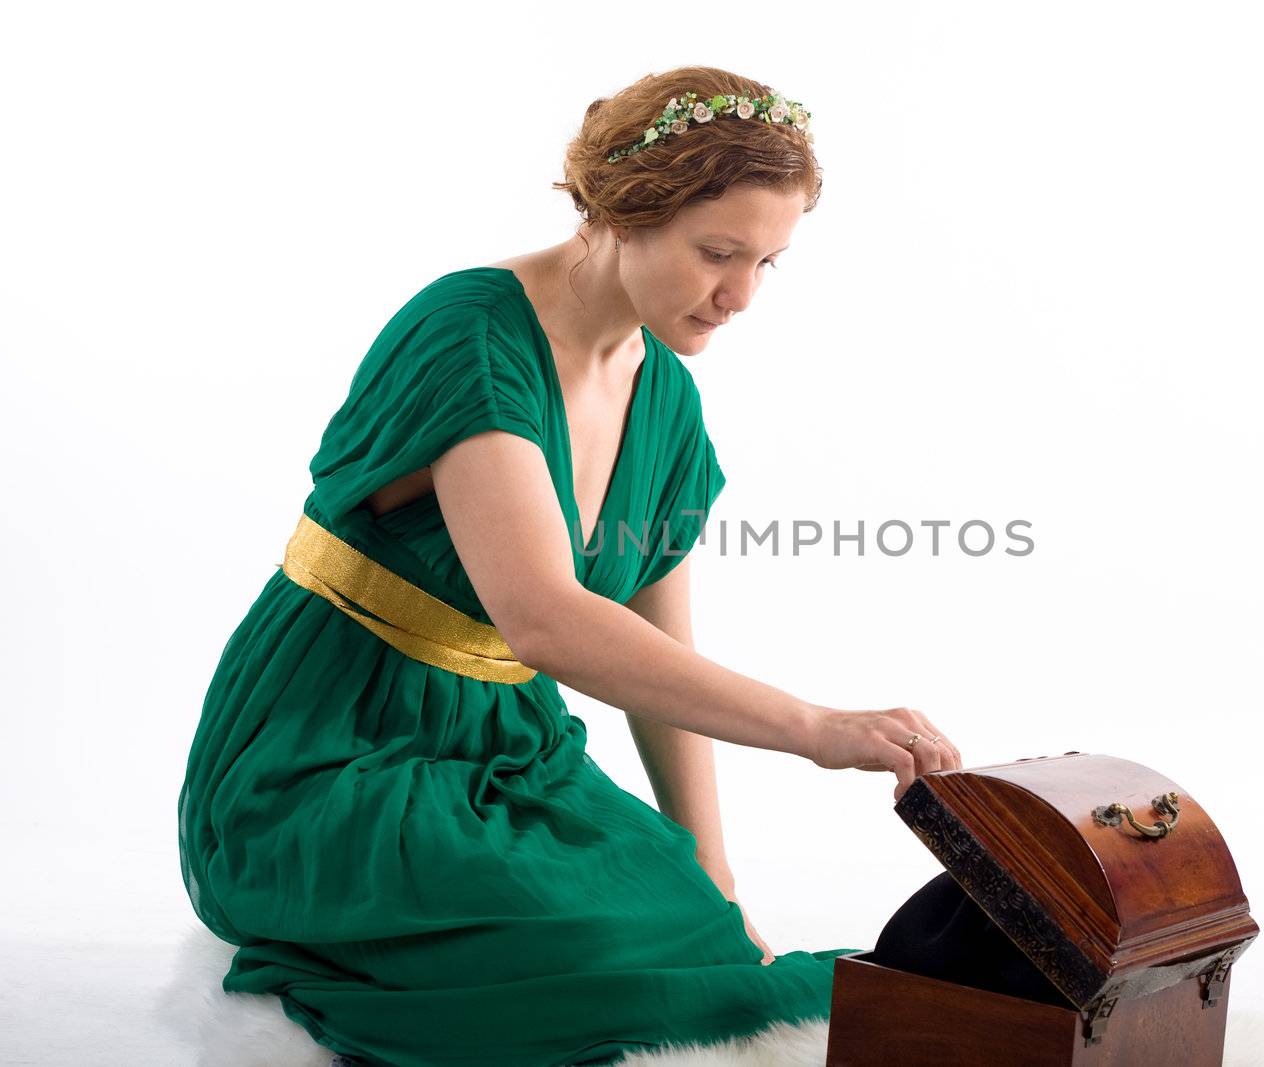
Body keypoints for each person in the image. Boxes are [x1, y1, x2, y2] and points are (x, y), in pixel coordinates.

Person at [176, 65, 964, 1067]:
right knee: (590, 946)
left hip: (504, 748)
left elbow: (655, 645)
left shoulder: (665, 399)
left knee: (689, 929)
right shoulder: (468, 335)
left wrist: (711, 871)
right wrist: (815, 727)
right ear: (620, 212)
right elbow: (546, 619)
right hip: (325, 747)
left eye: (769, 262)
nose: (741, 297)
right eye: (717, 253)